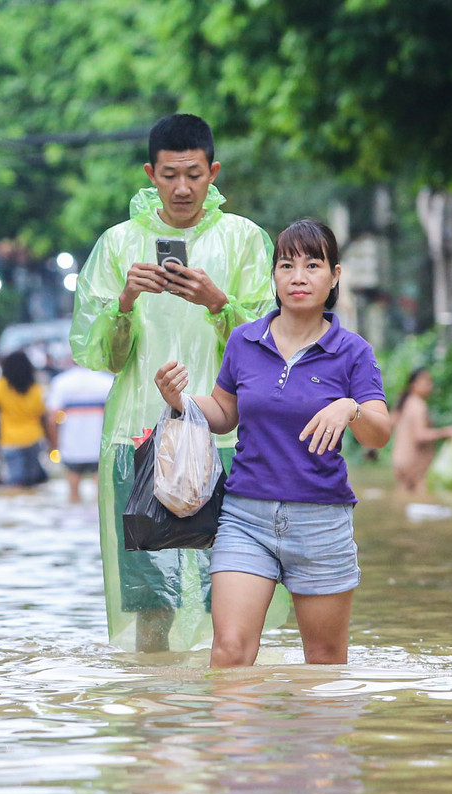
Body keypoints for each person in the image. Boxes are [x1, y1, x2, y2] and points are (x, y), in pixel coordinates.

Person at [70, 113, 278, 652]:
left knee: (230, 596)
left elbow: (273, 347)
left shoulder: (246, 240)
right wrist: (124, 304)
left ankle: (222, 726)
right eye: (169, 175)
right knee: (152, 605)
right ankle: (155, 718)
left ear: (213, 172)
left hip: (229, 439)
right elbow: (103, 357)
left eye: (193, 173)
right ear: (150, 173)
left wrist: (219, 304)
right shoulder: (118, 245)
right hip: (139, 440)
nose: (182, 187)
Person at [154, 218, 391, 667]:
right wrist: (181, 400)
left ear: (335, 275)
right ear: (274, 276)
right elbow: (225, 415)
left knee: (323, 660)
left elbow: (380, 430)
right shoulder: (244, 341)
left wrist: (350, 408)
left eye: (313, 264)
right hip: (246, 518)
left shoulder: (353, 351)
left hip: (322, 522)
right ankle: (235, 740)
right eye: (286, 265)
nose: (298, 276)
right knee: (229, 652)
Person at [46, 360, 115, 503]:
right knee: (101, 497)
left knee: (72, 496)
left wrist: (54, 444)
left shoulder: (62, 382)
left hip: (72, 448)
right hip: (99, 448)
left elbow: (52, 419)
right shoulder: (106, 382)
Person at [390, 367, 452, 495]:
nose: (430, 386)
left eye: (431, 382)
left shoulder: (403, 402)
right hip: (415, 464)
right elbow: (420, 435)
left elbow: (389, 424)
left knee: (403, 498)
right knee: (422, 499)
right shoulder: (419, 405)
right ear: (414, 384)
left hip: (399, 461)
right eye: (426, 382)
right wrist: (447, 432)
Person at [0, 350, 49, 487]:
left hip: (9, 439)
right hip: (33, 438)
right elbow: (42, 414)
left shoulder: (0, 386)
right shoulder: (36, 389)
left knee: (15, 483)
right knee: (33, 484)